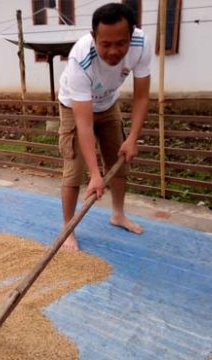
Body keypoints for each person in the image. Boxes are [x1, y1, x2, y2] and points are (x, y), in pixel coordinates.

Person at [57, 3, 152, 251]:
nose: (113, 51)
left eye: (120, 43)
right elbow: (84, 124)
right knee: (74, 170)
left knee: (118, 160)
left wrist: (132, 137)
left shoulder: (141, 45)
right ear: (94, 37)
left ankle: (118, 214)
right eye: (105, 44)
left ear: (131, 36)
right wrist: (96, 175)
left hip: (108, 104)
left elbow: (142, 97)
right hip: (74, 107)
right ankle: (68, 228)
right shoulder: (80, 58)